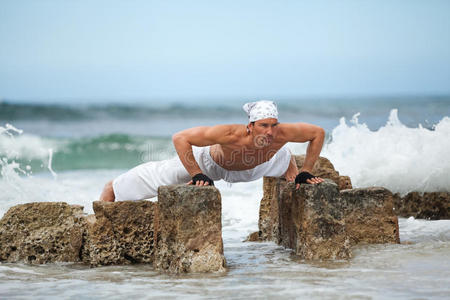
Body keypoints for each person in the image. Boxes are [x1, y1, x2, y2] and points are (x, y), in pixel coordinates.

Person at [99, 100, 324, 202]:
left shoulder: (281, 133)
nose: (270, 131)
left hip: (260, 166)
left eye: (273, 125)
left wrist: (306, 170)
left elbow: (318, 133)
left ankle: (290, 164)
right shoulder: (229, 134)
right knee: (131, 186)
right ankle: (113, 188)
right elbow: (180, 137)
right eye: (263, 126)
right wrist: (197, 173)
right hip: (210, 165)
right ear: (250, 125)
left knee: (281, 154)